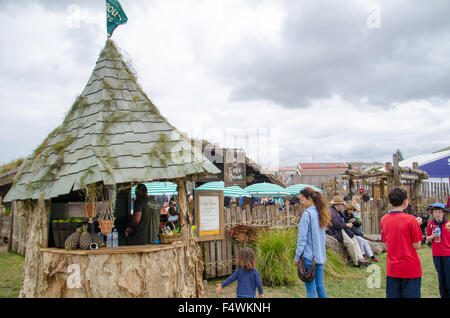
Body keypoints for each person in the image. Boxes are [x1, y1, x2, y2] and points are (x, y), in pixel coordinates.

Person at [380, 187, 423, 298]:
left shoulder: (384, 219)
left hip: (393, 269)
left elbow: (387, 240)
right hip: (410, 268)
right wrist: (417, 226)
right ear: (405, 202)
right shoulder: (411, 220)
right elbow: (417, 245)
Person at [293, 187, 331, 298]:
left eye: (302, 199)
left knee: (311, 290)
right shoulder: (321, 213)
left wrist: (297, 256)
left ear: (309, 198)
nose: (301, 202)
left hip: (309, 257)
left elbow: (302, 239)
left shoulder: (307, 215)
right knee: (320, 286)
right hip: (320, 256)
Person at [327, 196, 369, 267]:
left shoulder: (337, 211)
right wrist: (346, 225)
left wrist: (351, 222)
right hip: (336, 231)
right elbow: (337, 225)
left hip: (342, 229)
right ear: (338, 204)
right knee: (350, 244)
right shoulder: (332, 212)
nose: (343, 206)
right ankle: (356, 262)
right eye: (342, 205)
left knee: (355, 241)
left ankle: (361, 259)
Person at [426, 202, 450, 298]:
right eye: (435, 212)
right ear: (432, 213)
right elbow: (427, 238)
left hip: (447, 254)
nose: (437, 214)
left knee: (448, 276)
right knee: (441, 276)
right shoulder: (431, 224)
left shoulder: (448, 224)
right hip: (436, 254)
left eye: (439, 212)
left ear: (443, 213)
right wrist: (432, 236)